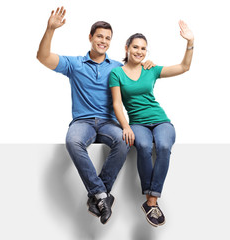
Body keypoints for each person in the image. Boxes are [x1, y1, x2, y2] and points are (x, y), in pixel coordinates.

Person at [36, 7, 155, 225]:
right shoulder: (74, 64)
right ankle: (102, 195)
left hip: (109, 122)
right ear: (90, 37)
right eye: (99, 36)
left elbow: (141, 70)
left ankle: (98, 196)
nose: (103, 41)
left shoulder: (118, 68)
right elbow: (42, 57)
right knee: (72, 141)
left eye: (108, 38)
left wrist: (148, 63)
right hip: (83, 122)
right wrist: (50, 29)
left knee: (124, 140)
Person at [109, 20, 194, 227]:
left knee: (164, 146)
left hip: (160, 120)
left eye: (143, 48)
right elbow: (117, 103)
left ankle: (151, 201)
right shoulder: (116, 73)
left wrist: (190, 42)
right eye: (135, 47)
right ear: (127, 48)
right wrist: (126, 126)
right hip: (137, 123)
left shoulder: (151, 69)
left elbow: (184, 67)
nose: (139, 51)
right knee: (144, 147)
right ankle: (151, 203)